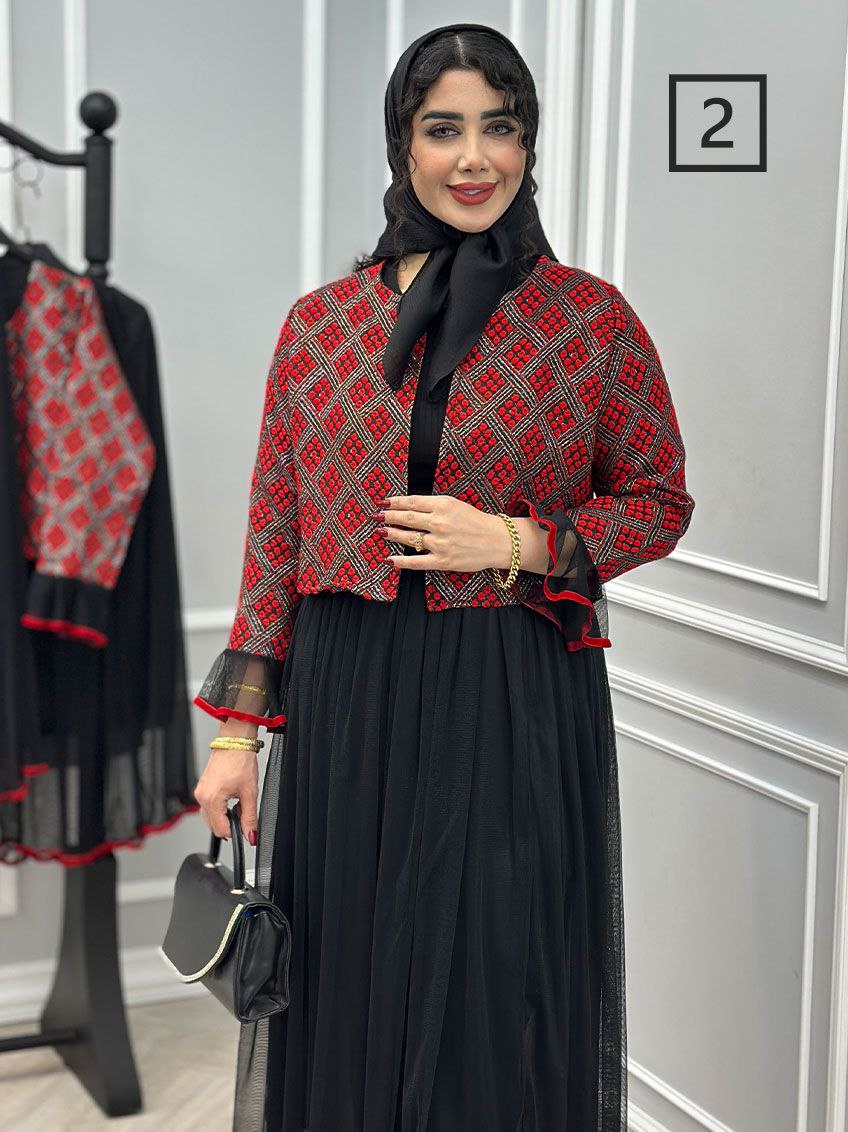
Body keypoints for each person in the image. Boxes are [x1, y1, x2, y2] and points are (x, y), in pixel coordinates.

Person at [193, 22, 694, 1132]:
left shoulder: (591, 320)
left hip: (508, 686)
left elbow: (659, 501)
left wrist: (511, 541)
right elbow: (275, 530)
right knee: (353, 969)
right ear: (402, 145)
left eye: (498, 127)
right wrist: (235, 737)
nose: (474, 158)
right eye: (442, 129)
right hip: (349, 690)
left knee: (492, 972)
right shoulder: (320, 326)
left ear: (527, 143)